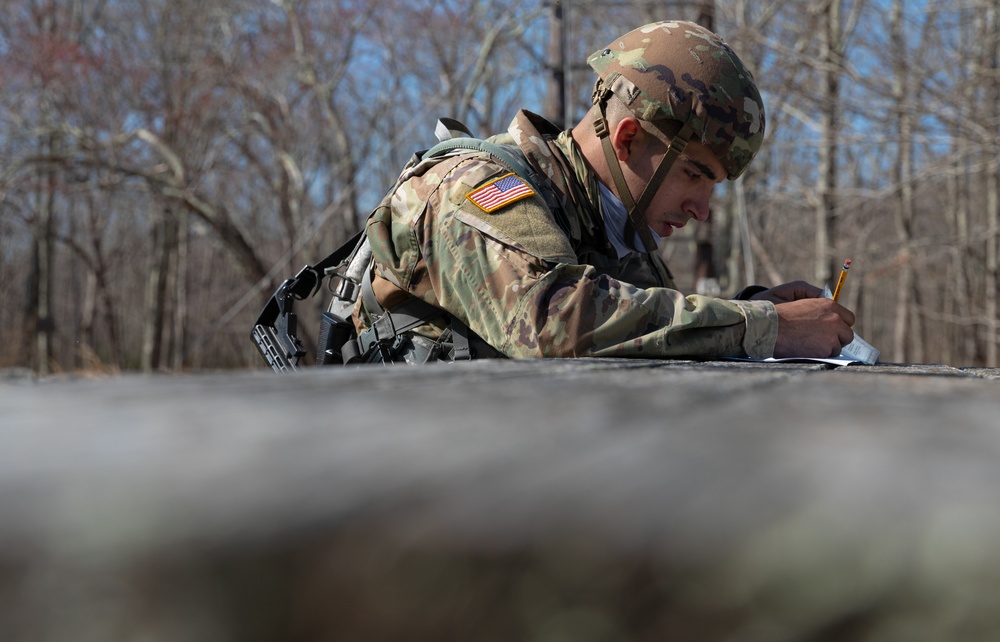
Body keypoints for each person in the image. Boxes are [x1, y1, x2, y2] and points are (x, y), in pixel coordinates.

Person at [354, 20, 855, 363]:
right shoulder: (473, 185)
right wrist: (764, 325)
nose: (702, 210)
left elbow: (646, 330)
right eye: (695, 175)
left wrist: (753, 309)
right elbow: (551, 321)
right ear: (628, 137)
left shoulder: (612, 231)